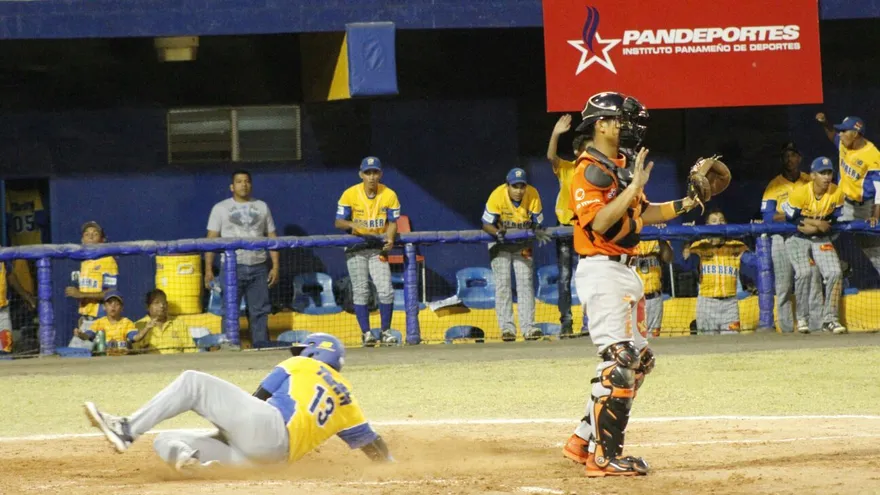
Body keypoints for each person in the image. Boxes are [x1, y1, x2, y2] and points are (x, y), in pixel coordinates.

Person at [562, 91, 700, 477]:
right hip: (602, 270)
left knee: (640, 363)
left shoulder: (619, 163)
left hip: (625, 271)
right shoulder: (589, 168)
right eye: (621, 120)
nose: (628, 127)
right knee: (619, 363)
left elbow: (645, 211)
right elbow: (602, 221)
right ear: (601, 124)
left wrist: (689, 202)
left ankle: (580, 441)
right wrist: (632, 184)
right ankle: (603, 458)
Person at [84, 333, 392, 471]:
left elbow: (259, 397)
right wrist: (393, 470)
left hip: (267, 426)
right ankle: (198, 465)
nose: (298, 353)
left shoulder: (303, 365)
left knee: (193, 381)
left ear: (315, 352)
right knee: (166, 441)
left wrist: (224, 420)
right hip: (274, 461)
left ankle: (126, 429)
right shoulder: (347, 398)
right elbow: (373, 445)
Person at [205, 170, 279, 347]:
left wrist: (275, 266)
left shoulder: (262, 206)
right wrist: (208, 269)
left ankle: (261, 347)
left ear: (251, 184)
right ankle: (228, 347)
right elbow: (211, 239)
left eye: (246, 181)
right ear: (232, 186)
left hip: (259, 266)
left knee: (260, 311)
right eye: (239, 181)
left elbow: (272, 237)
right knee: (230, 311)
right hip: (231, 268)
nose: (243, 184)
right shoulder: (220, 208)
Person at [335, 157, 400, 346]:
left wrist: (390, 237)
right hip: (356, 248)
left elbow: (393, 223)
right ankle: (366, 333)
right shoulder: (350, 194)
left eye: (375, 172)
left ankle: (386, 332)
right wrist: (351, 223)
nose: (371, 176)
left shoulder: (389, 194)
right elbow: (338, 222)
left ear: (380, 174)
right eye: (368, 172)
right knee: (361, 291)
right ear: (361, 174)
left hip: (377, 248)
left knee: (386, 290)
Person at [761, 143, 824, 333]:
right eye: (786, 156)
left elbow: (820, 207)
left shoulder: (809, 181)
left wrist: (795, 215)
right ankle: (787, 330)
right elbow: (767, 216)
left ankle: (816, 326)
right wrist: (794, 215)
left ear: (800, 158)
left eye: (793, 155)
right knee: (783, 284)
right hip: (781, 237)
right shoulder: (774, 185)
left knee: (813, 279)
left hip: (806, 237)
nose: (790, 160)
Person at [782, 157, 847, 334]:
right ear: (812, 175)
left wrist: (817, 227)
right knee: (804, 272)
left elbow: (834, 219)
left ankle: (830, 319)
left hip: (820, 237)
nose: (826, 177)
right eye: (822, 173)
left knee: (835, 272)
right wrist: (816, 223)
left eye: (829, 172)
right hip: (797, 236)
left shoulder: (836, 192)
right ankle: (802, 318)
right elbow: (790, 217)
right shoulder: (800, 193)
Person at [481, 168, 546, 342]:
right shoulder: (497, 195)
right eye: (514, 186)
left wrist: (536, 230)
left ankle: (529, 328)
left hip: (522, 245)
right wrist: (496, 232)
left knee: (526, 284)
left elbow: (538, 222)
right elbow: (486, 223)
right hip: (500, 245)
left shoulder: (532, 194)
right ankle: (507, 329)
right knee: (503, 285)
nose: (518, 190)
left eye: (521, 186)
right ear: (507, 185)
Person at [815, 114, 880, 273]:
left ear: (856, 133)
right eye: (841, 131)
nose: (841, 135)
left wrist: (876, 217)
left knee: (873, 251)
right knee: (821, 232)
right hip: (842, 202)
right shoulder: (844, 144)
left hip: (863, 208)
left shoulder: (873, 156)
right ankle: (839, 268)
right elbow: (832, 135)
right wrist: (825, 123)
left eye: (844, 131)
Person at [547, 114, 591, 338]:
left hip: (586, 228)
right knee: (564, 278)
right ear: (577, 152)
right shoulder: (566, 168)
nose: (589, 153)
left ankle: (588, 323)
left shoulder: (595, 172)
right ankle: (566, 323)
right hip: (564, 228)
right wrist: (555, 133)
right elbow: (551, 156)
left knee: (588, 276)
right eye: (585, 149)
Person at [683, 210, 748, 335]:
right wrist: (687, 241)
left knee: (733, 343)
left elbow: (753, 263)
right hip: (707, 303)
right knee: (707, 346)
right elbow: (686, 265)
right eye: (714, 221)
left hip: (730, 304)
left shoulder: (736, 246)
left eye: (721, 220)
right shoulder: (699, 246)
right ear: (707, 225)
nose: (718, 223)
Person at [66, 222, 118, 349]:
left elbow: (110, 293)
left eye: (95, 234)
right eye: (87, 234)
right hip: (87, 320)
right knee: (78, 357)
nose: (90, 237)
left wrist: (80, 294)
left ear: (102, 240)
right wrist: (83, 315)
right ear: (82, 240)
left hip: (101, 319)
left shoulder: (107, 260)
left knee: (100, 356)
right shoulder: (84, 262)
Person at [130, 289, 195, 354]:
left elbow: (191, 350)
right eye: (157, 302)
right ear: (148, 307)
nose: (162, 306)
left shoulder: (179, 324)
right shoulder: (139, 326)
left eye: (164, 303)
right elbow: (135, 353)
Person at [633, 239, 672, 338]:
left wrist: (661, 238)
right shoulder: (630, 237)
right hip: (636, 299)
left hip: (655, 298)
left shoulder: (657, 240)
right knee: (635, 335)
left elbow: (668, 259)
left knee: (654, 336)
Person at [89, 291, 137, 355]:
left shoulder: (127, 322)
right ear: (104, 307)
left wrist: (146, 329)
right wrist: (81, 334)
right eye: (110, 303)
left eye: (117, 304)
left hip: (123, 359)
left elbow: (135, 337)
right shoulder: (98, 322)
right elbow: (88, 335)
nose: (113, 306)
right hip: (103, 359)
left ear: (122, 308)